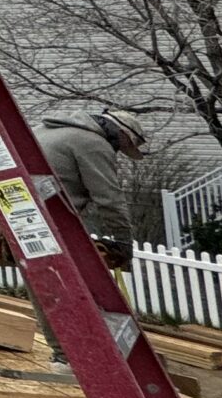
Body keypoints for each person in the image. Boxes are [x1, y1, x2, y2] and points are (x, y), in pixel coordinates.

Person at [24, 104, 147, 358]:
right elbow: (109, 199)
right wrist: (124, 241)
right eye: (124, 146)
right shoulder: (93, 143)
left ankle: (62, 355)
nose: (120, 152)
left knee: (46, 289)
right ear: (123, 134)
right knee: (77, 289)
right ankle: (81, 356)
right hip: (56, 223)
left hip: (23, 217)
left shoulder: (43, 130)